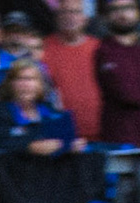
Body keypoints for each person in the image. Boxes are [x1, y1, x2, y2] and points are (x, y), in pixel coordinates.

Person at [96, 0, 140, 149]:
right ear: (106, 16)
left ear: (139, 12)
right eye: (115, 9)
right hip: (120, 140)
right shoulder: (104, 52)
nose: (123, 14)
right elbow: (127, 94)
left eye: (128, 8)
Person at [41, 0, 104, 138]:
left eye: (75, 12)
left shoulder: (100, 48)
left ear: (86, 18)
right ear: (56, 17)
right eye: (63, 12)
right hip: (58, 134)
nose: (69, 16)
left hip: (100, 130)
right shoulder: (43, 48)